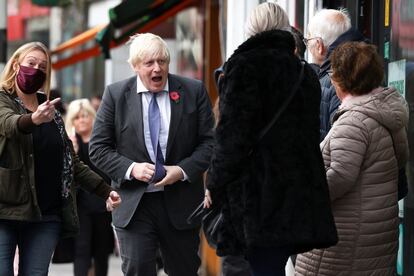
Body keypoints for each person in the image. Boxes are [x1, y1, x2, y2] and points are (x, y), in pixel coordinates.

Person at [205, 2, 337, 276]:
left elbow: (231, 139)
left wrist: (214, 185)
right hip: (295, 195)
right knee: (272, 267)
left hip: (255, 197)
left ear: (251, 30)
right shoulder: (304, 73)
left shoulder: (242, 67)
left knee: (255, 266)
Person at [89, 33, 215, 276]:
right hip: (135, 204)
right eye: (149, 63)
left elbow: (210, 143)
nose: (157, 68)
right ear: (135, 66)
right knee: (138, 268)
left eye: (162, 61)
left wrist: (181, 171)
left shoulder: (193, 90)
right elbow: (98, 148)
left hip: (181, 202)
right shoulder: (116, 95)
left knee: (184, 270)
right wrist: (131, 168)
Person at [0, 41, 121, 276]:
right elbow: (9, 124)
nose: (36, 70)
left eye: (42, 66)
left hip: (45, 215)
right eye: (31, 63)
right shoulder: (3, 100)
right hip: (4, 211)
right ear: (16, 65)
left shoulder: (51, 112)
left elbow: (70, 163)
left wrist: (106, 191)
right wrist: (33, 119)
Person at [295, 41, 409, 275]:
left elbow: (339, 177)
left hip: (345, 244)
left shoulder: (353, 122)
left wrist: (301, 191)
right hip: (371, 238)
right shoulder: (384, 113)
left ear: (343, 79)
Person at [65, 99, 115, 276]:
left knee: (102, 251)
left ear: (93, 117)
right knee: (82, 249)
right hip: (81, 206)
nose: (81, 120)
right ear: (71, 121)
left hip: (103, 203)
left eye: (85, 116)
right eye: (77, 117)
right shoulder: (69, 142)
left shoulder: (102, 141)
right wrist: (73, 152)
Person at [304, 8, 368, 141]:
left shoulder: (336, 80)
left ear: (319, 45)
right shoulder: (367, 69)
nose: (308, 47)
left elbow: (339, 144)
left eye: (308, 41)